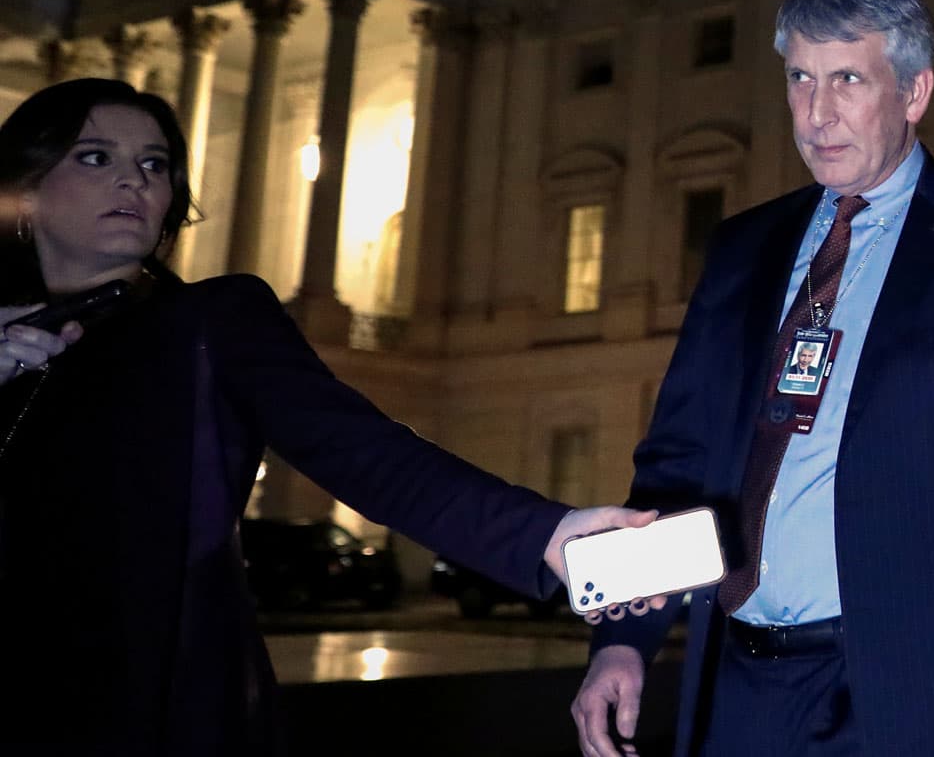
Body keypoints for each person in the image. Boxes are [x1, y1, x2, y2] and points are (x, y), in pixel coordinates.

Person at [0, 78, 649, 757]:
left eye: (154, 164)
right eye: (97, 158)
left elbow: (362, 452)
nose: (133, 180)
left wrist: (546, 534)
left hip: (147, 706)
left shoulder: (210, 323)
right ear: (27, 188)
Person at [570, 0, 934, 757]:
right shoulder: (740, 251)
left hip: (914, 688)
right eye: (800, 79)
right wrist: (622, 638)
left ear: (914, 92)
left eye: (848, 79)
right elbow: (676, 461)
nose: (816, 114)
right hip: (738, 686)